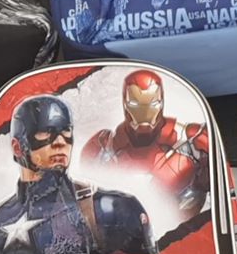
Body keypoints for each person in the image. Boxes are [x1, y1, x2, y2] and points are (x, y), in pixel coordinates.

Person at [0, 95, 152, 254]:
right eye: (46, 133)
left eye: (66, 132)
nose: (60, 142)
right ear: (18, 147)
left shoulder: (109, 210)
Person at [81, 69, 211, 223]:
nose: (145, 114)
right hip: (121, 233)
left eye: (152, 104)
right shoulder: (103, 147)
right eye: (136, 104)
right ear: (125, 103)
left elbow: (227, 194)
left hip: (186, 233)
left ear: (161, 102)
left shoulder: (194, 140)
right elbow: (80, 205)